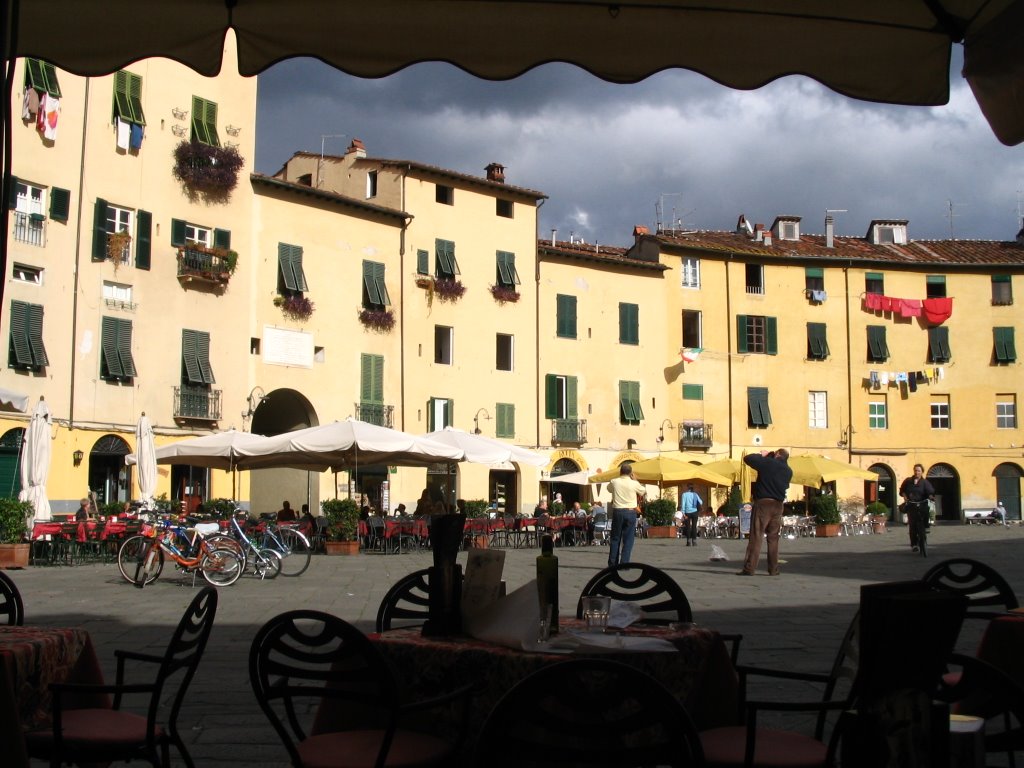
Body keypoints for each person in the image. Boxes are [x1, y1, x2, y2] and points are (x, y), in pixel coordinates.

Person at [738, 449, 793, 576]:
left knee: (756, 536)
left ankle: (749, 568)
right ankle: (774, 569)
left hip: (764, 503)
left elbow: (748, 458)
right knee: (773, 538)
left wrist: (763, 455)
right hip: (778, 505)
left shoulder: (768, 463)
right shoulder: (788, 471)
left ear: (778, 454)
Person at [607, 464, 646, 567]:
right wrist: (636, 480)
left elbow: (609, 489)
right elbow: (642, 492)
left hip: (618, 511)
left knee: (615, 538)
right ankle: (624, 563)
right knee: (628, 539)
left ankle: (612, 563)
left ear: (620, 472)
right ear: (630, 473)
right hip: (630, 511)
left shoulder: (614, 481)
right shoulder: (634, 483)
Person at [899, 463, 935, 552]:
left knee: (926, 512)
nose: (917, 472)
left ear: (922, 472)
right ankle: (914, 544)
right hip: (911, 505)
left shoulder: (925, 482)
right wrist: (905, 496)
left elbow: (930, 491)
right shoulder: (908, 481)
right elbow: (902, 490)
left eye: (919, 471)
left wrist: (931, 496)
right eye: (915, 470)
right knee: (912, 525)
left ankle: (926, 526)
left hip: (922, 504)